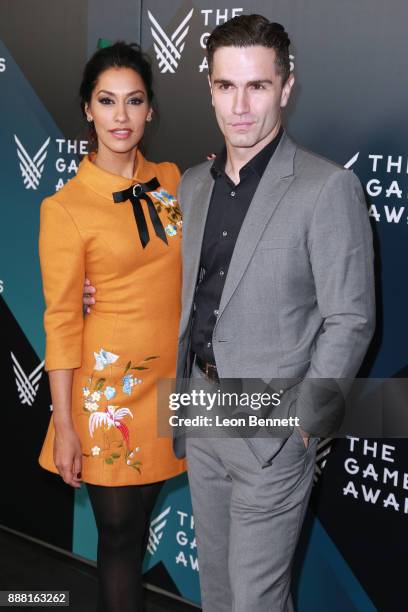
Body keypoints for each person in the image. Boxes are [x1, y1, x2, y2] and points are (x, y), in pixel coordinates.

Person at [83, 15, 375, 612]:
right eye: (225, 86)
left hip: (273, 431)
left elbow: (351, 319)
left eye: (258, 86)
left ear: (286, 88)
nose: (240, 106)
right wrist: (95, 289)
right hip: (202, 414)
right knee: (216, 592)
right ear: (210, 88)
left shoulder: (326, 188)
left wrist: (304, 427)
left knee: (255, 601)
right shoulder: (191, 185)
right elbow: (160, 273)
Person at [38, 42, 185, 612]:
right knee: (121, 543)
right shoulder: (66, 208)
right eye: (107, 101)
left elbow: (187, 263)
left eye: (134, 101)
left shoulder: (170, 181)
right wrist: (65, 422)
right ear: (87, 110)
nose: (120, 117)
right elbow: (59, 322)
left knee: (139, 528)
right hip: (110, 396)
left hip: (172, 389)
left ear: (150, 110)